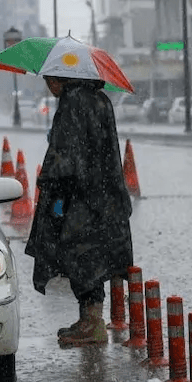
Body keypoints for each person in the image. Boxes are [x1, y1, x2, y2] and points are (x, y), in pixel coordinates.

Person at [25, 75, 134, 346]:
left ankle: (93, 324)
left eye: (50, 79)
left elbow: (66, 157)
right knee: (94, 257)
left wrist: (52, 187)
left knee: (78, 256)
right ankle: (90, 319)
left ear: (60, 78)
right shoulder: (100, 100)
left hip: (81, 196)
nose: (48, 86)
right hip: (104, 195)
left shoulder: (72, 102)